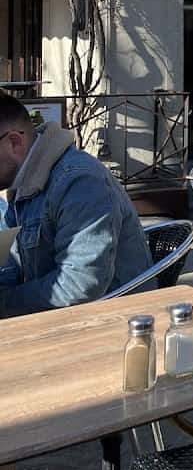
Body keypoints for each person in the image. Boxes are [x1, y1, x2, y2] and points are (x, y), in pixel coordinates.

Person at [0, 92, 152, 318]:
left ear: (14, 142)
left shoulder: (80, 181)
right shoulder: (23, 181)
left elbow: (81, 283)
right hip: (63, 321)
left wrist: (4, 303)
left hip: (114, 327)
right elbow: (12, 264)